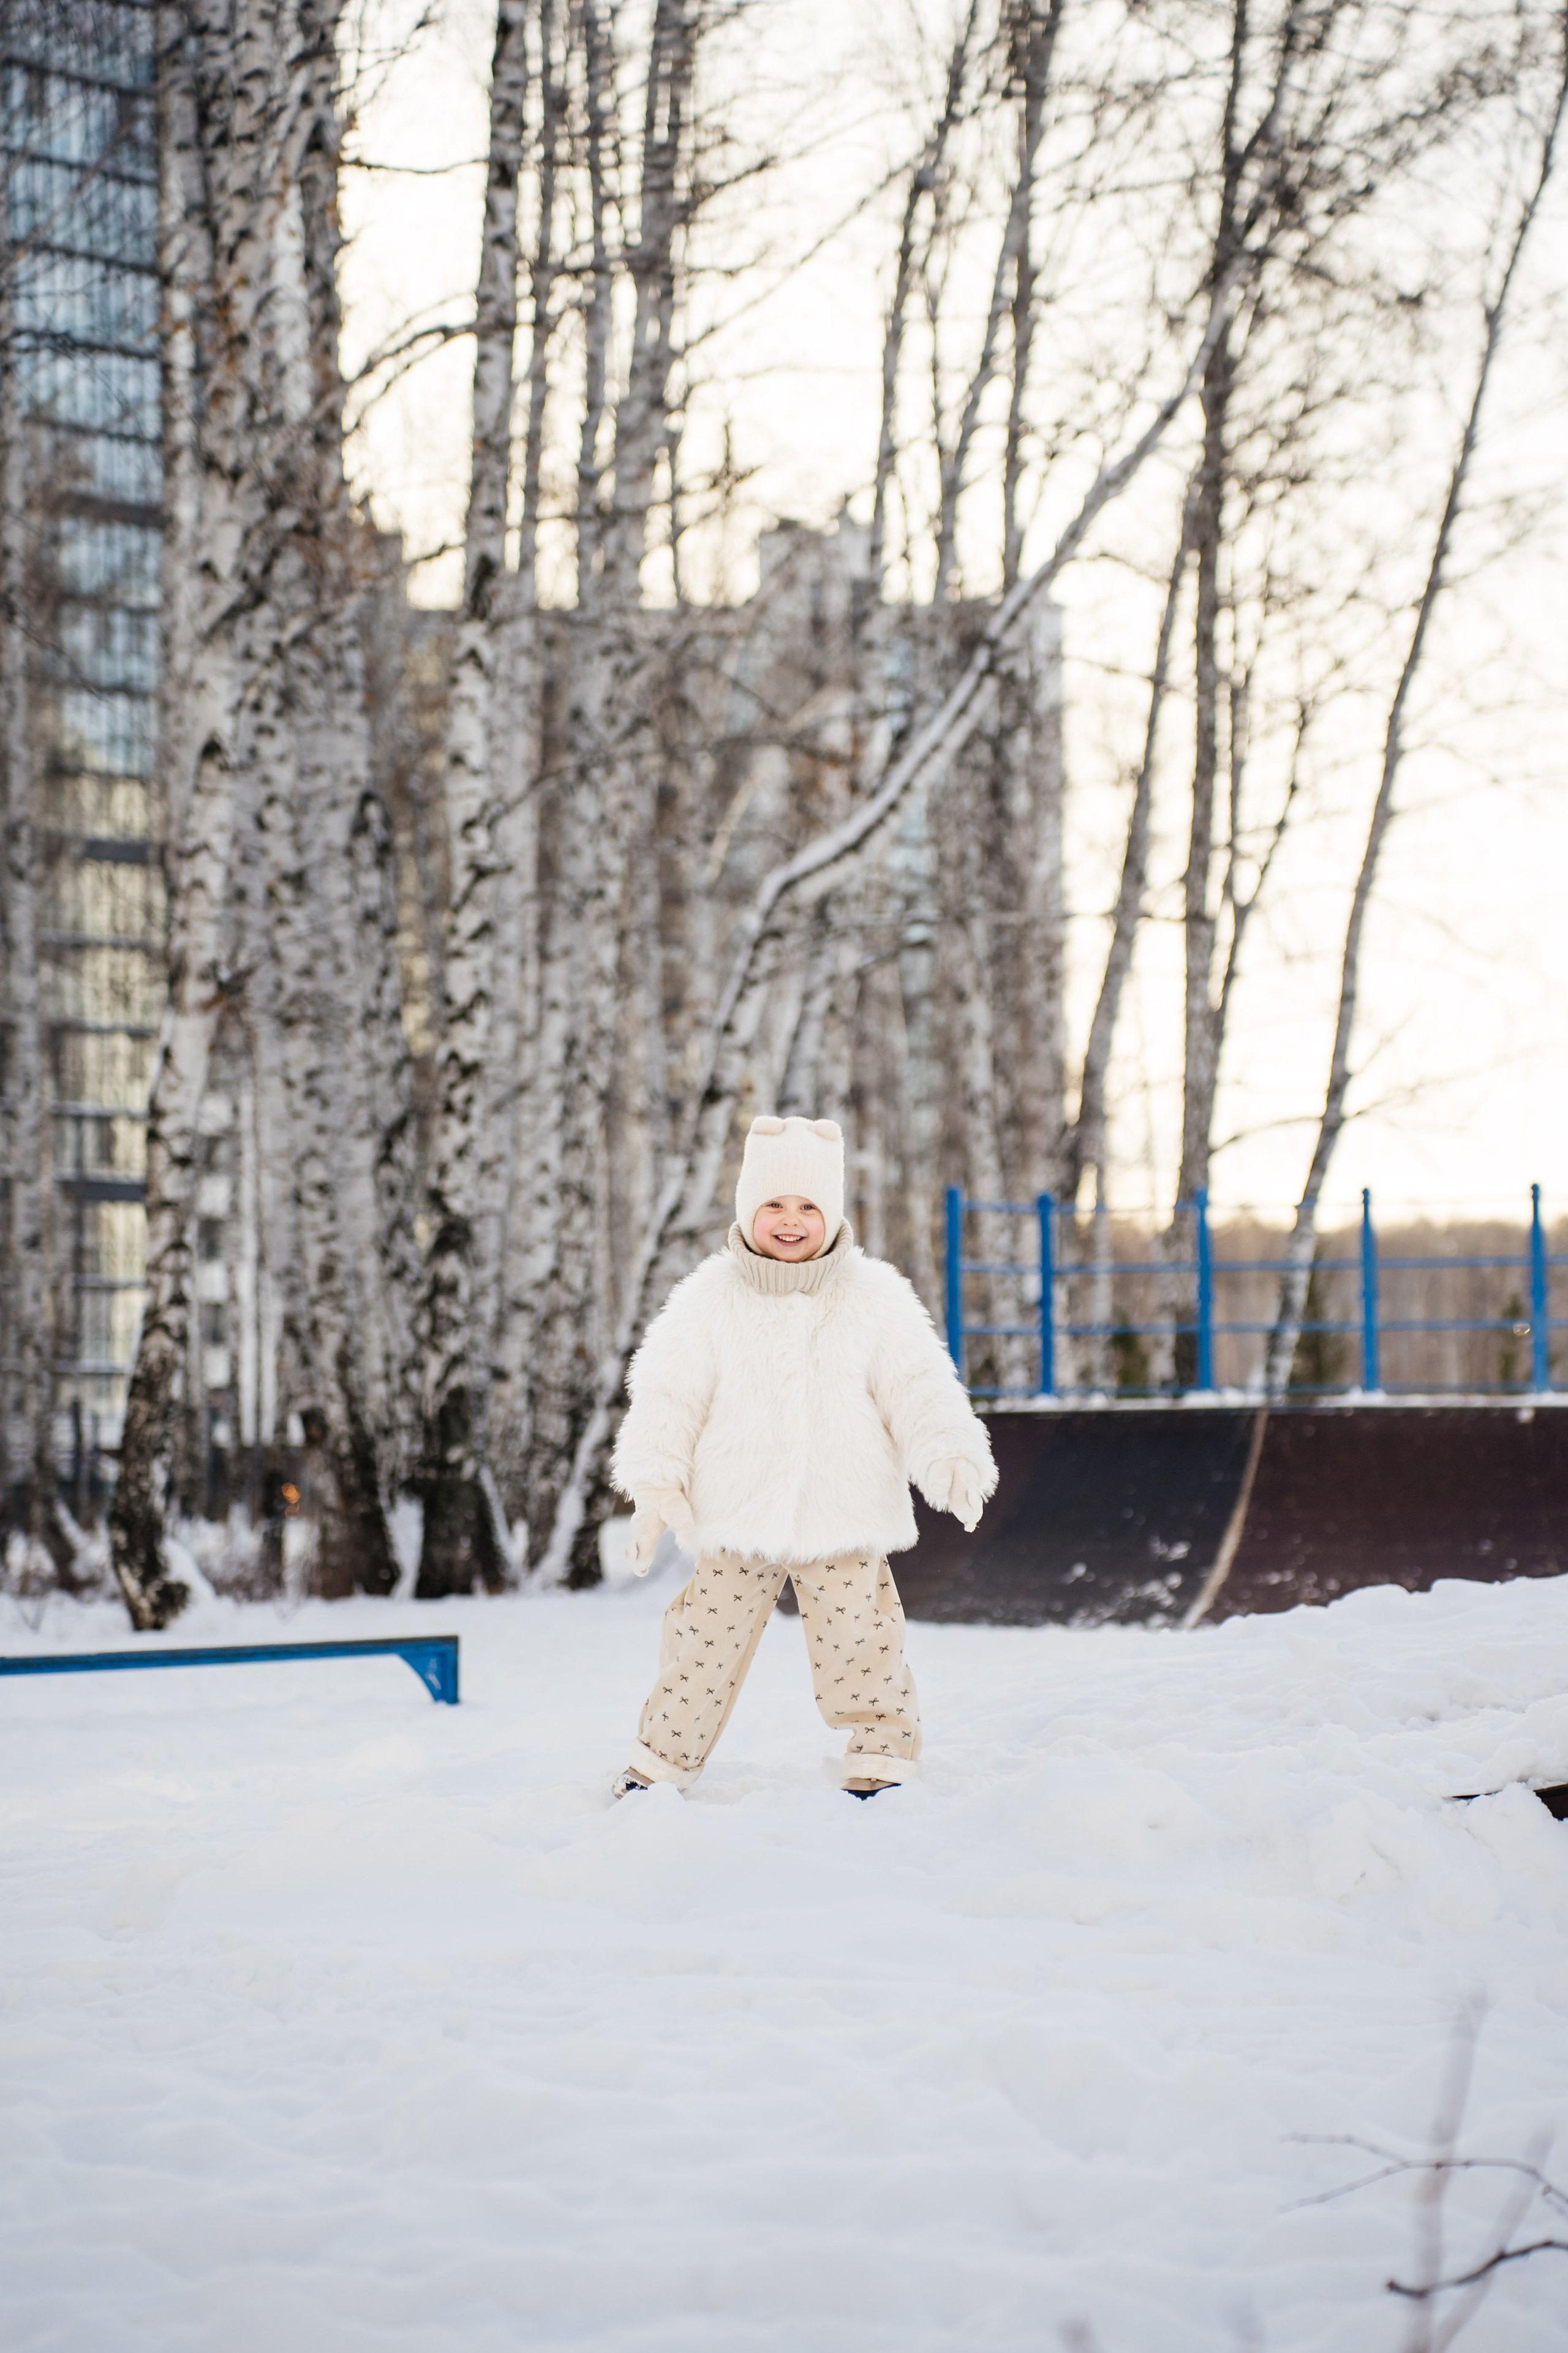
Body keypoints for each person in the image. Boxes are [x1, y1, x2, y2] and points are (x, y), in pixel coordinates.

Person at [609, 1113, 997, 1800]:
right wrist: (655, 1482)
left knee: (861, 1640)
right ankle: (660, 1762)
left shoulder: (874, 1296)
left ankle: (881, 1756)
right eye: (774, 1205)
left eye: (809, 1207)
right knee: (702, 1644)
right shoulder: (709, 1299)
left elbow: (919, 1384)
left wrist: (953, 1456)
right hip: (737, 1510)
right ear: (747, 1210)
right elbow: (668, 1395)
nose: (791, 1220)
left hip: (841, 1509)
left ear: (833, 1213)